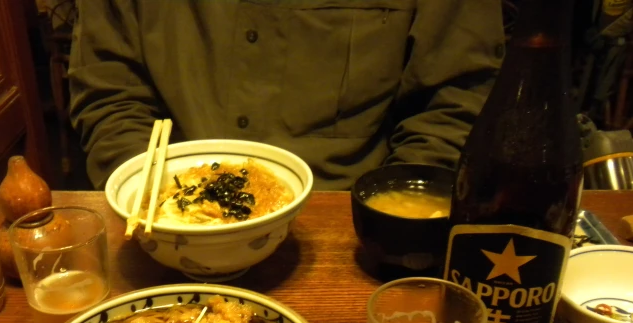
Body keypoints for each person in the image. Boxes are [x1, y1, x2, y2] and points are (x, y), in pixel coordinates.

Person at [68, 0, 505, 191]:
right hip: (167, 215)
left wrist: (394, 215)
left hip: (351, 224)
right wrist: (158, 206)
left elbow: (457, 100)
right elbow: (110, 94)